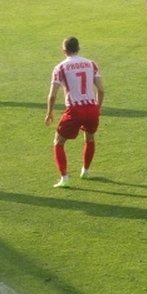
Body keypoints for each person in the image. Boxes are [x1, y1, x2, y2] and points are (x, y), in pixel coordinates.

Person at [45, 36, 105, 189]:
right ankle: (86, 170)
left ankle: (64, 178)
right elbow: (101, 89)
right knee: (90, 138)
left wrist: (50, 113)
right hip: (91, 108)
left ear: (64, 50)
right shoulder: (91, 64)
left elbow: (52, 94)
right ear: (79, 48)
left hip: (75, 109)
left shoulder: (61, 67)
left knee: (58, 142)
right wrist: (98, 107)